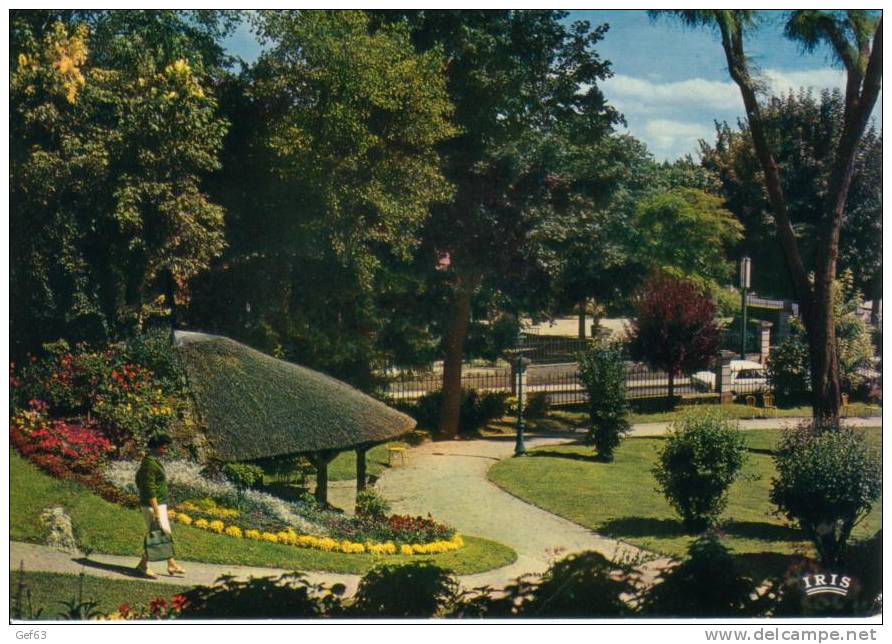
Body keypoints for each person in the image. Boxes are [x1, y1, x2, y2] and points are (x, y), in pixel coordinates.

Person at [135, 433, 186, 578]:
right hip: (152, 506)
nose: (166, 450)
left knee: (163, 534)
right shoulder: (149, 464)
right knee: (158, 535)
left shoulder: (153, 461)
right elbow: (148, 488)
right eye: (164, 447)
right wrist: (156, 510)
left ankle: (171, 564)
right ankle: (142, 566)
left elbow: (139, 480)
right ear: (156, 447)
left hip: (159, 505)